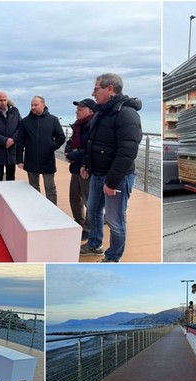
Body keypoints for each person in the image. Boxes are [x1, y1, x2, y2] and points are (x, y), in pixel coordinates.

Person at [79, 73, 142, 262]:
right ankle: (95, 244)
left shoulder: (126, 113)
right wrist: (86, 164)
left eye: (96, 88)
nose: (93, 92)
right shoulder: (101, 111)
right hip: (97, 174)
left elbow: (127, 151)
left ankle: (113, 257)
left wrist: (112, 182)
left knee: (115, 221)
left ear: (110, 89)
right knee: (93, 210)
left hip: (117, 178)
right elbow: (92, 143)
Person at [16, 96, 66, 204]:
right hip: (31, 160)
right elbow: (20, 142)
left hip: (47, 159)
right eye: (32, 105)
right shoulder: (25, 121)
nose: (33, 107)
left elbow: (61, 137)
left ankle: (53, 210)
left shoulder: (53, 120)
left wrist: (51, 146)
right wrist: (19, 160)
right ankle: (36, 208)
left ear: (43, 105)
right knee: (33, 188)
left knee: (50, 188)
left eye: (36, 105)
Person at [65, 98, 96, 240]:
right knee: (74, 197)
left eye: (80, 109)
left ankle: (89, 228)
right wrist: (68, 150)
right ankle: (79, 222)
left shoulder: (93, 125)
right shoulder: (78, 125)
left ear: (90, 110)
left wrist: (72, 155)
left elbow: (90, 149)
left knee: (89, 199)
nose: (76, 112)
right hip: (76, 167)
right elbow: (71, 141)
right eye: (77, 109)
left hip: (88, 168)